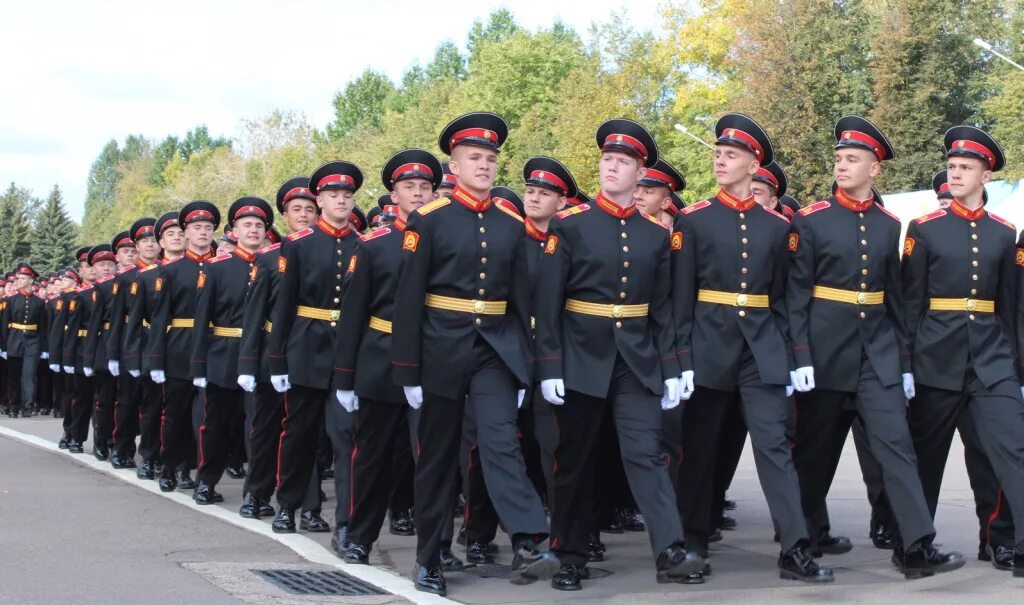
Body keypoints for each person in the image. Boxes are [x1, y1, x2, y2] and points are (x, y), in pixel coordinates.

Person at [788, 115, 964, 578]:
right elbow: (796, 293)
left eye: (853, 159)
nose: (842, 166)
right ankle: (801, 542)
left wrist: (903, 361)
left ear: (874, 168)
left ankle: (915, 546)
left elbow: (900, 298)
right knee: (813, 452)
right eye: (839, 159)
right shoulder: (811, 220)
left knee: (897, 445)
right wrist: (799, 355)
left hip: (877, 353)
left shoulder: (890, 225)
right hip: (824, 352)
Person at [392, 112, 556, 596]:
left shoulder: (511, 224)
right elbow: (409, 299)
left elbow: (524, 301)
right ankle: (430, 558)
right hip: (440, 348)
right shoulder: (429, 219)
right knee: (438, 457)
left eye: (490, 159)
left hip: (494, 350)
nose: (484, 166)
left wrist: (527, 366)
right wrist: (408, 369)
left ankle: (527, 538)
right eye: (474, 158)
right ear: (454, 166)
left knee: (501, 441)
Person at [536, 118, 703, 590]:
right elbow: (547, 303)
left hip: (636, 358)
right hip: (580, 357)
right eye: (607, 160)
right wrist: (549, 363)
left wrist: (674, 367)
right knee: (575, 458)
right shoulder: (571, 226)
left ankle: (670, 550)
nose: (611, 167)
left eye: (622, 162)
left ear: (640, 172)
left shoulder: (654, 235)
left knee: (647, 454)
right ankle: (568, 553)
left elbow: (665, 309)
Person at [672, 113, 831, 582]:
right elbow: (679, 297)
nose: (721, 161)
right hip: (706, 344)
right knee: (700, 449)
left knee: (774, 445)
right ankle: (692, 541)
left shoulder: (777, 227)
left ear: (753, 164)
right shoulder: (694, 219)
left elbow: (786, 299)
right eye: (718, 154)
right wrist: (679, 358)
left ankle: (796, 547)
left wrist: (795, 355)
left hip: (761, 350)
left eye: (732, 155)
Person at [905, 125, 1024, 577]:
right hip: (935, 356)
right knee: (925, 458)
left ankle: (1003, 542)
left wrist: (1015, 363)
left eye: (965, 168)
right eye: (952, 167)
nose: (955, 174)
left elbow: (1010, 306)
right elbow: (910, 302)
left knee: (1005, 452)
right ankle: (914, 544)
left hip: (991, 360)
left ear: (985, 176)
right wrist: (906, 363)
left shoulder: (1003, 233)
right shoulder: (925, 228)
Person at [335, 148, 443, 564]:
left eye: (424, 187)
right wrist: (345, 376)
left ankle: (436, 548)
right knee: (373, 458)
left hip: (431, 358)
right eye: (408, 187)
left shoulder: (448, 235)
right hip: (381, 361)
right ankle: (359, 534)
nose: (417, 194)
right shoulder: (375, 245)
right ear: (394, 194)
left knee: (431, 459)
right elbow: (353, 314)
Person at [268, 161, 362, 545]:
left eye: (347, 195)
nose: (341, 200)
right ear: (319, 200)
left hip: (347, 353)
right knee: (300, 434)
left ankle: (346, 523)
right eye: (333, 195)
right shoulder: (299, 244)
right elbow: (284, 304)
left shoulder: (363, 244)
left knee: (346, 438)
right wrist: (277, 359)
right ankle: (289, 504)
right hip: (306, 346)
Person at [236, 176, 324, 527]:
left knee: (307, 432)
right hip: (274, 353)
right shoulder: (271, 258)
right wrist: (248, 361)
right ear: (285, 216)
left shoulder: (325, 251)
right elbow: (255, 315)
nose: (304, 215)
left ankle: (309, 506)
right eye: (296, 210)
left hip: (309, 353)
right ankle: (256, 493)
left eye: (309, 209)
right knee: (267, 427)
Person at [190, 197, 272, 504]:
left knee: (258, 428)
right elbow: (201, 322)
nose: (253, 230)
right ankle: (206, 482)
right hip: (224, 353)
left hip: (262, 354)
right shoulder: (217, 269)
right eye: (246, 225)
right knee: (215, 425)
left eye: (259, 225)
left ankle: (256, 492)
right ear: (234, 230)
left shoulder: (275, 264)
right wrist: (199, 366)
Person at [147, 201, 219, 492]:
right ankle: (168, 465)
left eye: (208, 228)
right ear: (185, 233)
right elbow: (159, 318)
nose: (203, 233)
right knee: (175, 413)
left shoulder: (221, 266)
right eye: (196, 228)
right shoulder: (172, 271)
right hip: (180, 348)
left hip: (215, 347)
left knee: (204, 417)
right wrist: (156, 359)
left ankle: (191, 467)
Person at [123, 212, 185, 480]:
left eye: (180, 234)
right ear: (161, 241)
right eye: (170, 234)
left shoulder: (201, 271)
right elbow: (135, 323)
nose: (177, 238)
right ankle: (149, 456)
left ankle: (181, 463)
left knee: (182, 412)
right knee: (152, 408)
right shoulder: (148, 277)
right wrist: (134, 358)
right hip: (155, 349)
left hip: (186, 349)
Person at [106, 219, 159, 468]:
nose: (150, 245)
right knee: (128, 402)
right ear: (136, 246)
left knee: (154, 404)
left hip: (157, 344)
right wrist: (115, 354)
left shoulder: (164, 271)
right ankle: (122, 447)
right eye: (144, 241)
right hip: (132, 343)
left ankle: (151, 452)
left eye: (153, 240)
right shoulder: (126, 277)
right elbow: (116, 319)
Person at [1, 263, 46, 418]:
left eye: (22, 278)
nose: (18, 280)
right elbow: (4, 325)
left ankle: (27, 406)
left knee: (29, 374)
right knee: (14, 375)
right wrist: (4, 346)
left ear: (31, 281)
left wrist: (43, 347)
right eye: (18, 278)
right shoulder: (11, 300)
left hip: (33, 341)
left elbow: (43, 326)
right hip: (14, 340)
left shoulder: (39, 302)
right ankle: (14, 406)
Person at [633, 158, 686, 229]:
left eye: (648, 192)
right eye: (634, 190)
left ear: (665, 203)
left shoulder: (668, 239)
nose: (637, 196)